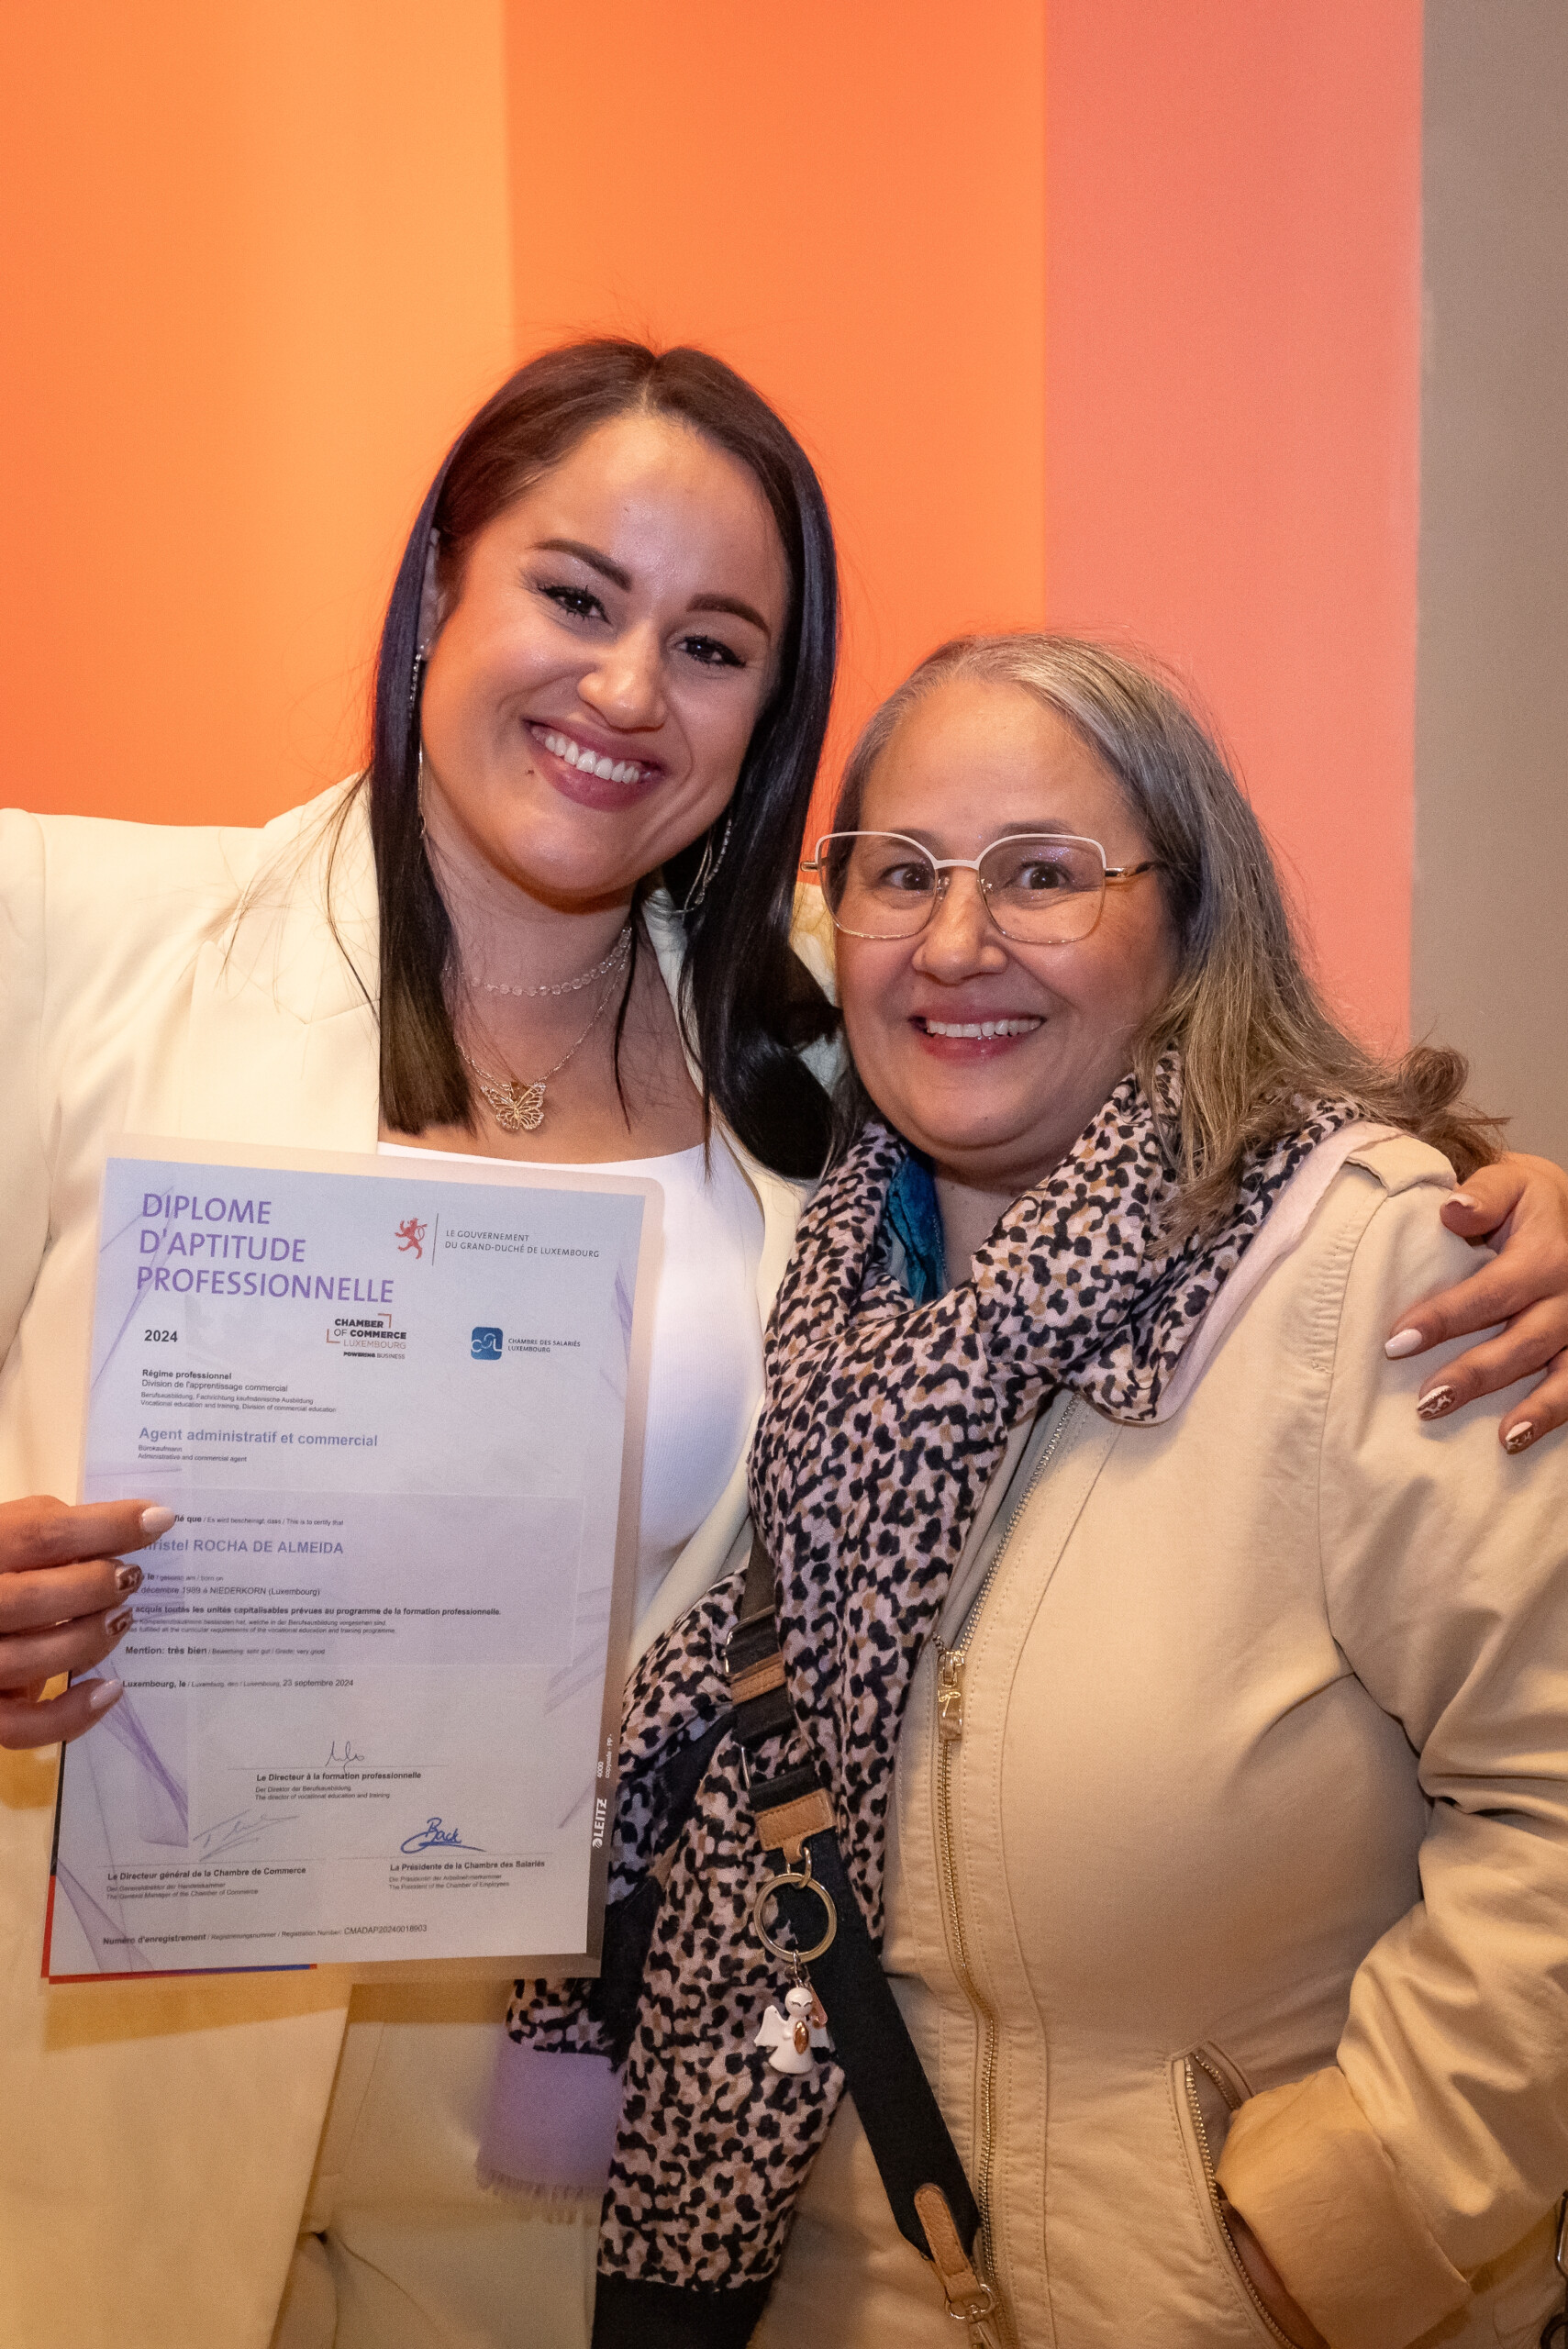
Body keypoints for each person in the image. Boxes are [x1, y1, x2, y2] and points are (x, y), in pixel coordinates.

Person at [0, 357, 1561, 2349]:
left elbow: (1196, 1073)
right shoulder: (71, 930)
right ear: (439, 589)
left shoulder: (827, 1032)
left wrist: (1505, 1191)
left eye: (713, 644)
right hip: (107, 2078)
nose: (628, 689)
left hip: (571, 2123)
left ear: (771, 712)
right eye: (575, 594)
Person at [508, 634, 1568, 2349]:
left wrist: (1358, 2215)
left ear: (1188, 924)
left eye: (1042, 875)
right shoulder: (803, 1276)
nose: (953, 941)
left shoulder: (1375, 1275)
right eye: (899, 873)